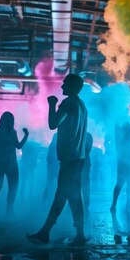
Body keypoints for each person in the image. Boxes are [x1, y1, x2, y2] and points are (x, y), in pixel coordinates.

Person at [28, 74, 88, 246]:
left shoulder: (68, 103)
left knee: (61, 194)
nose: (62, 86)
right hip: (78, 157)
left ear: (72, 86)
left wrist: (52, 105)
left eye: (65, 84)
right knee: (75, 196)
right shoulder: (82, 105)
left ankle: (45, 232)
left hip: (69, 158)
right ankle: (80, 234)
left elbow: (53, 124)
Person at [0, 111, 29, 218]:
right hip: (10, 165)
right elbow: (18, 146)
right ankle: (6, 210)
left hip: (1, 164)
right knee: (11, 187)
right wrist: (26, 135)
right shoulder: (9, 132)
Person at [43, 133, 58, 201]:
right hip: (55, 168)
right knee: (61, 185)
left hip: (51, 168)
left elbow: (48, 159)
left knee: (48, 185)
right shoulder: (55, 145)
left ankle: (44, 202)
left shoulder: (51, 145)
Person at [82, 132, 93, 211]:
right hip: (81, 162)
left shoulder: (88, 135)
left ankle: (86, 202)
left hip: (84, 162)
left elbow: (88, 148)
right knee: (77, 183)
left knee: (84, 182)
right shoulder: (88, 135)